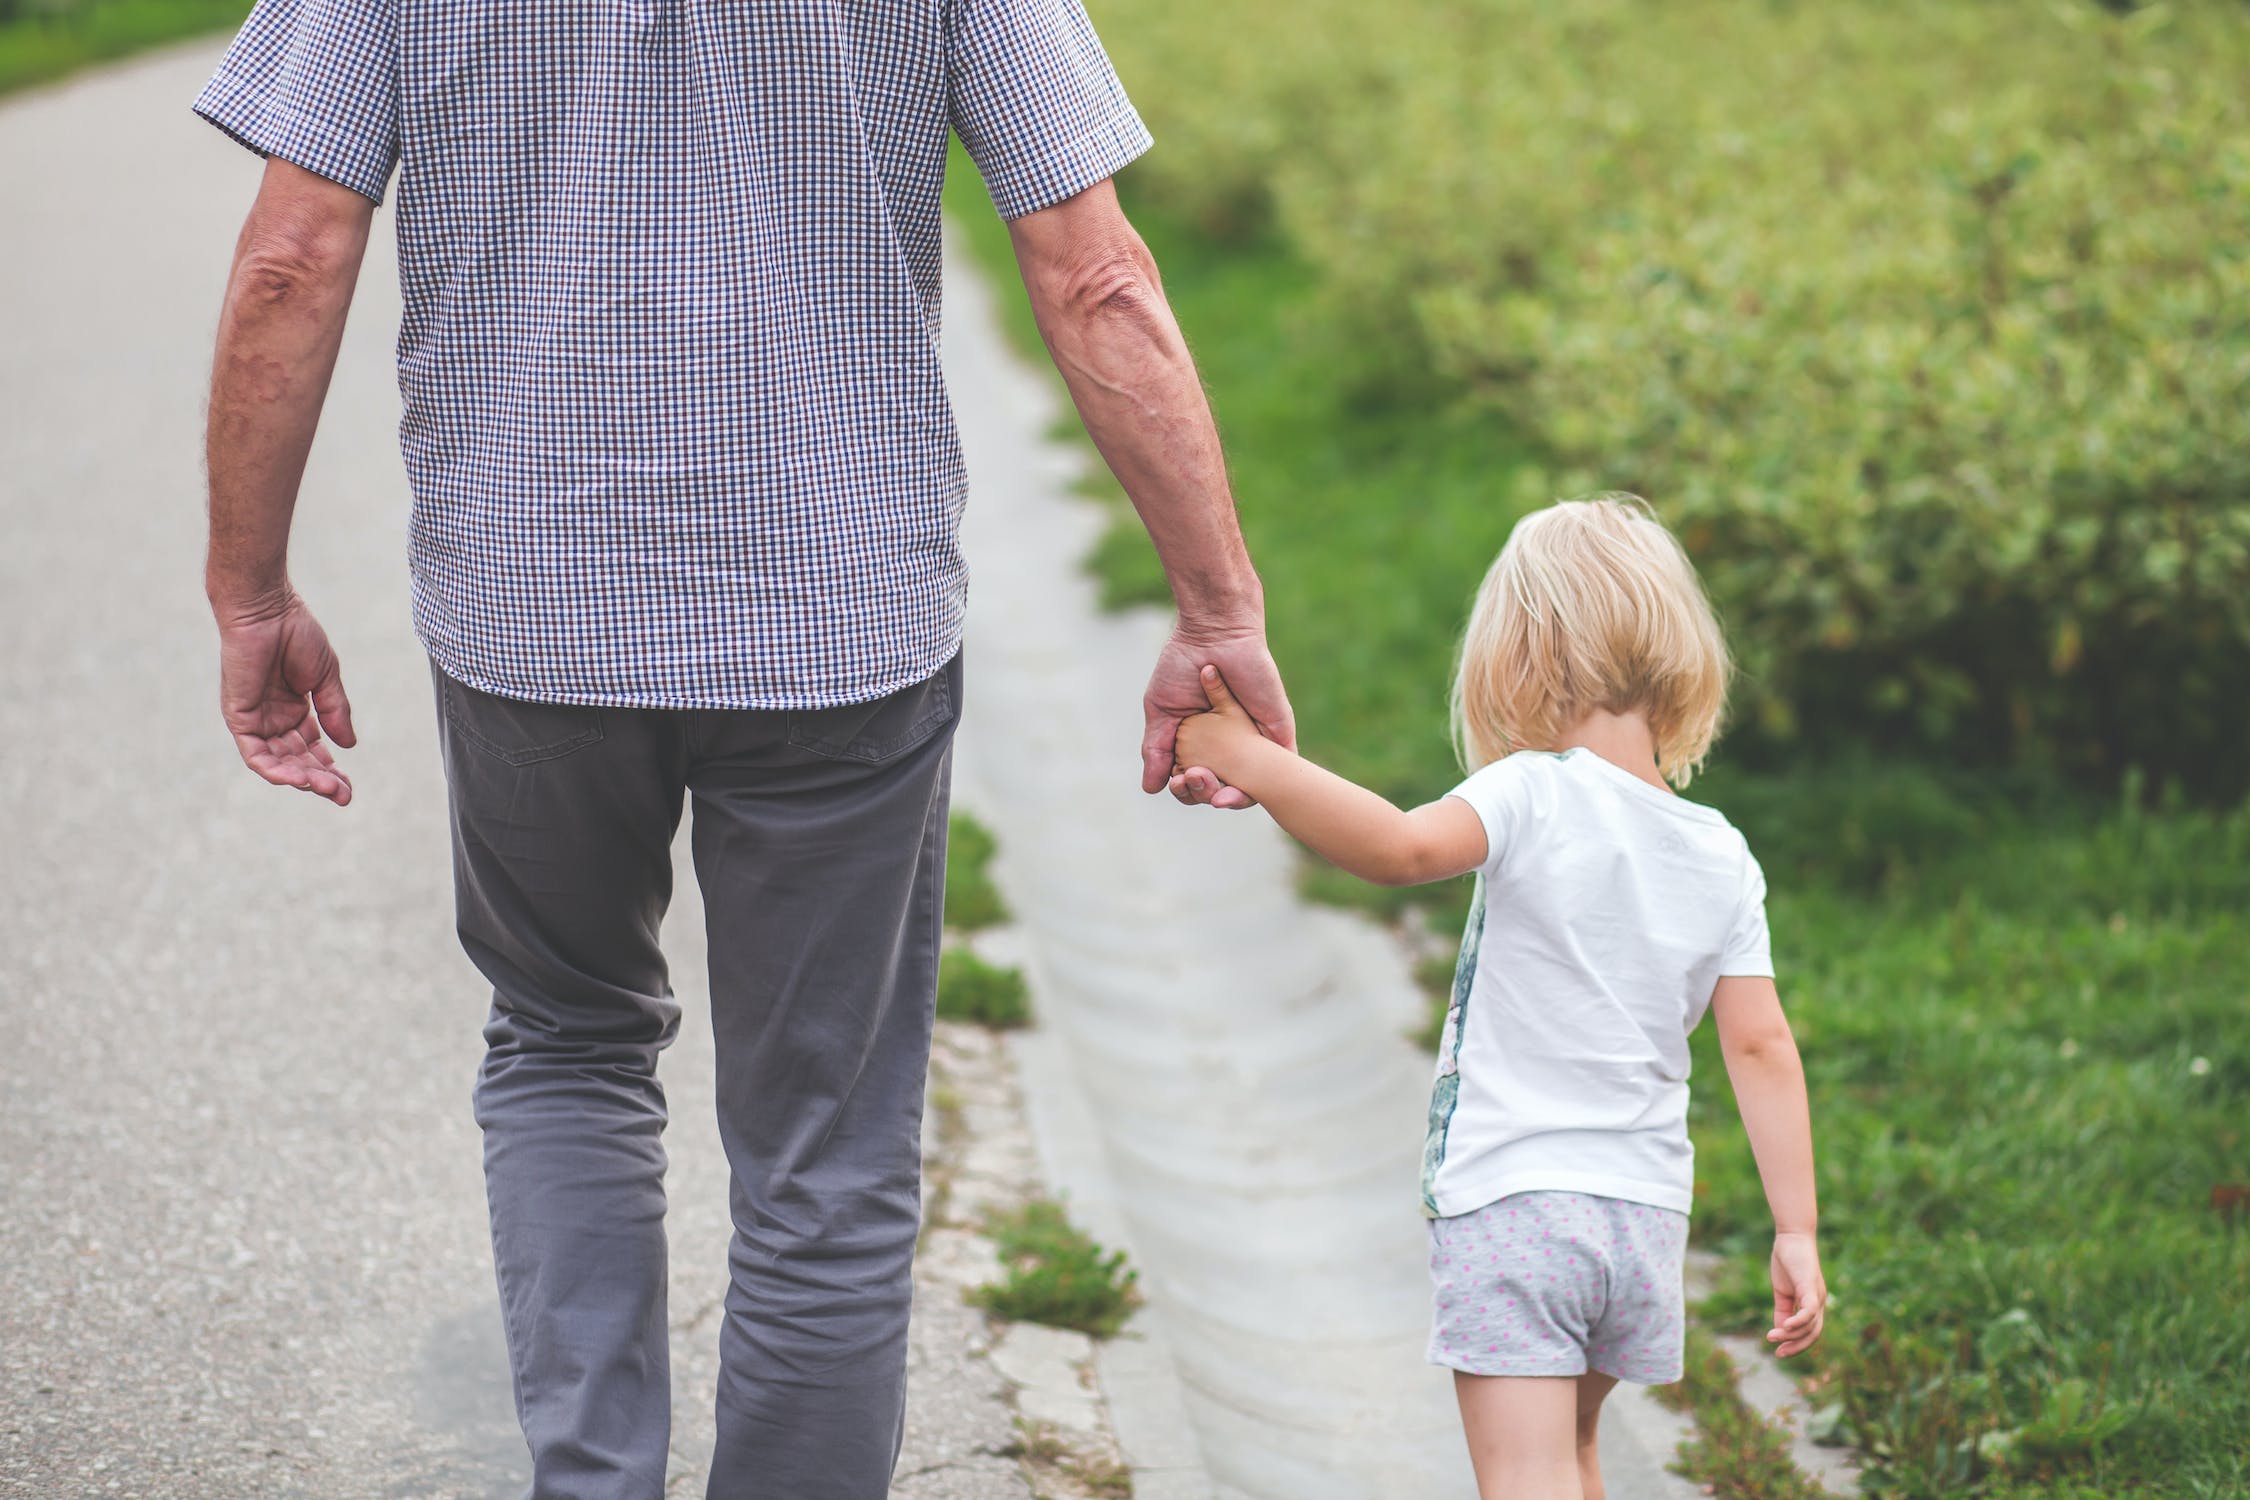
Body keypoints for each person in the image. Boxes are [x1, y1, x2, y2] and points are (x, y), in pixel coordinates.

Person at [191, 1, 1290, 1495]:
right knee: (824, 1156)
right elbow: (1094, 273)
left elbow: (289, 256)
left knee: (566, 1049)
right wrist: (1216, 601)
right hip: (836, 619)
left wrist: (249, 589)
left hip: (534, 613)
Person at [1173, 495, 1826, 1500]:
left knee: (1526, 1476)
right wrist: (1797, 1231)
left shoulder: (1532, 790)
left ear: (1517, 657)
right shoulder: (1721, 854)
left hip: (1519, 1204)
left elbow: (1398, 848)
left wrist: (1251, 758)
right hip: (1644, 1220)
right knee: (1572, 1457)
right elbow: (1761, 1049)